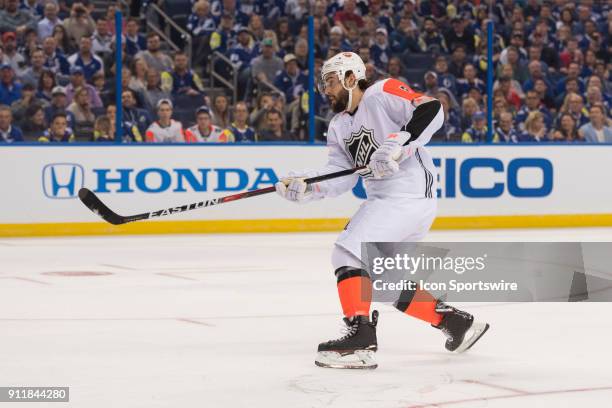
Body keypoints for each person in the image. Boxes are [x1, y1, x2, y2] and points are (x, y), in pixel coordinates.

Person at [274, 52, 489, 369]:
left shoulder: (381, 92)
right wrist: (306, 187)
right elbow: (341, 176)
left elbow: (431, 109)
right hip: (392, 202)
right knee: (387, 283)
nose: (326, 90)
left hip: (407, 194)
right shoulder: (337, 126)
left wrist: (400, 143)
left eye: (331, 81)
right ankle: (457, 324)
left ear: (351, 78)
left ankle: (360, 337)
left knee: (347, 253)